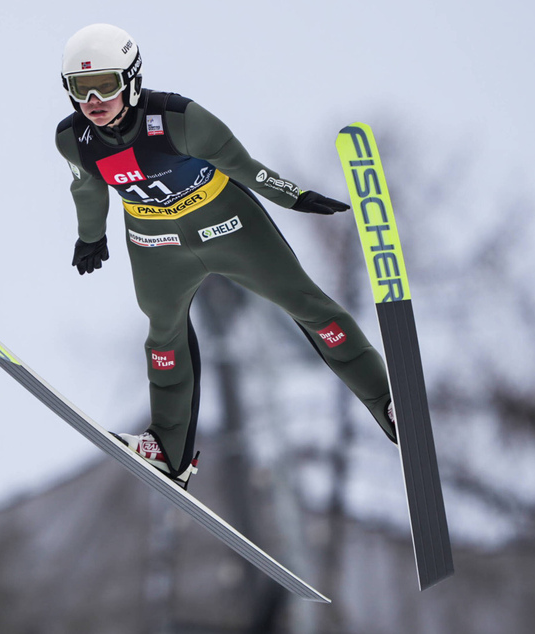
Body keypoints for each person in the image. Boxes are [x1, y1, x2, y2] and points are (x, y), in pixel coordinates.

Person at [55, 24, 395, 489]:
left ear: (131, 80)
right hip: (155, 242)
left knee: (307, 305)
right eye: (80, 88)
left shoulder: (179, 118)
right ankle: (168, 451)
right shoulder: (73, 138)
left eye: (106, 85)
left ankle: (387, 404)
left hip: (227, 225)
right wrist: (91, 236)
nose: (93, 99)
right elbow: (88, 187)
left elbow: (244, 165)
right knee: (162, 334)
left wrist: (295, 197)